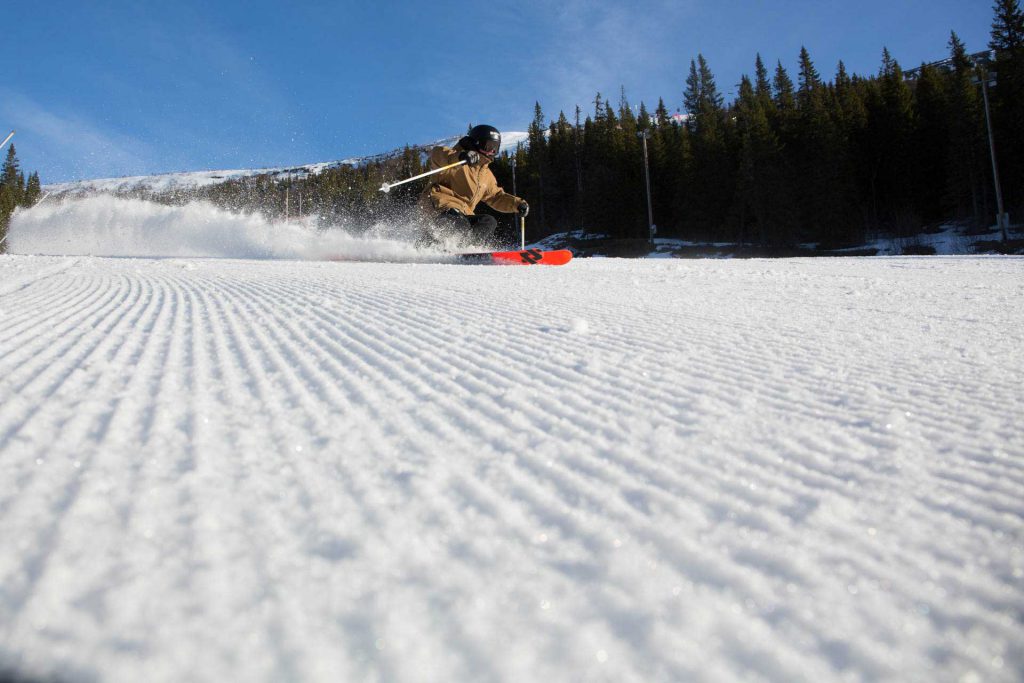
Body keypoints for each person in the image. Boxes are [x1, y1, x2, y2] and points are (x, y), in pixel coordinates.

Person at [419, 125, 529, 248]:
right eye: (488, 146)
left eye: (495, 148)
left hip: (464, 213)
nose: (491, 152)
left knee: (488, 222)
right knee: (460, 223)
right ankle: (427, 244)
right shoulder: (456, 158)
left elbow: (495, 196)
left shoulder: (486, 175)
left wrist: (517, 204)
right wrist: (460, 157)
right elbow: (437, 155)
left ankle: (467, 249)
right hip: (439, 204)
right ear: (476, 143)